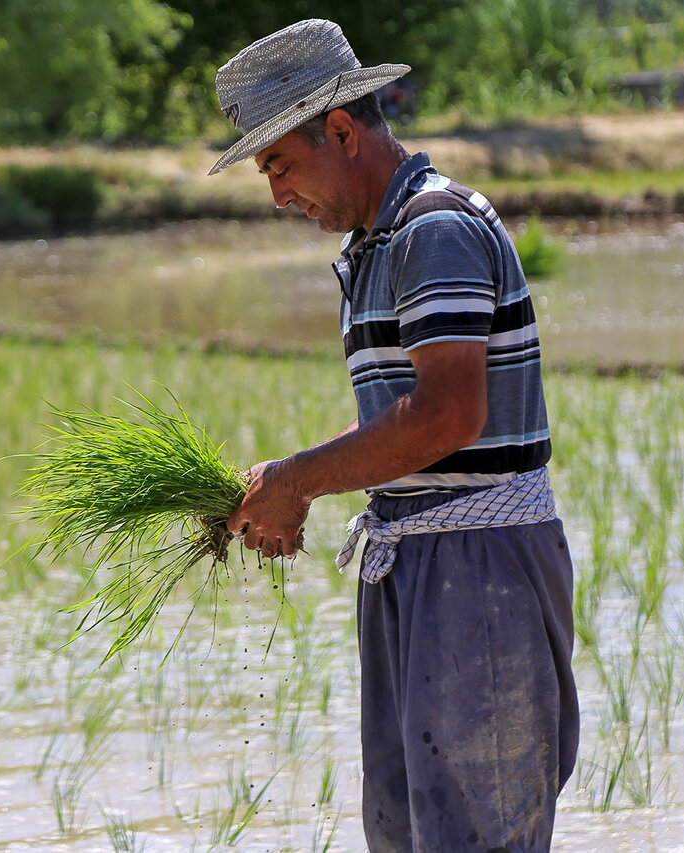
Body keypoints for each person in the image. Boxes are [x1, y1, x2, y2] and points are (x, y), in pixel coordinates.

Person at [208, 19, 578, 853]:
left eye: (278, 164)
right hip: (417, 559)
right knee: (411, 832)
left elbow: (450, 417)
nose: (276, 195)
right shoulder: (376, 243)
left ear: (340, 130)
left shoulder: (432, 227)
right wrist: (289, 478)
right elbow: (398, 423)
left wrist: (300, 479)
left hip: (479, 569)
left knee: (474, 833)